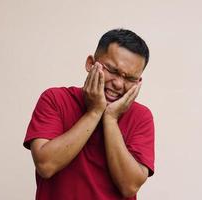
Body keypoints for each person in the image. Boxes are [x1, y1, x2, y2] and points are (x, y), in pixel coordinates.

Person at [23, 28, 155, 200]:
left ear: (138, 82)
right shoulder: (55, 99)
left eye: (129, 79)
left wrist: (110, 119)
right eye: (112, 70)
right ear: (90, 63)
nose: (118, 84)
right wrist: (94, 112)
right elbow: (45, 165)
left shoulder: (141, 117)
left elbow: (129, 186)